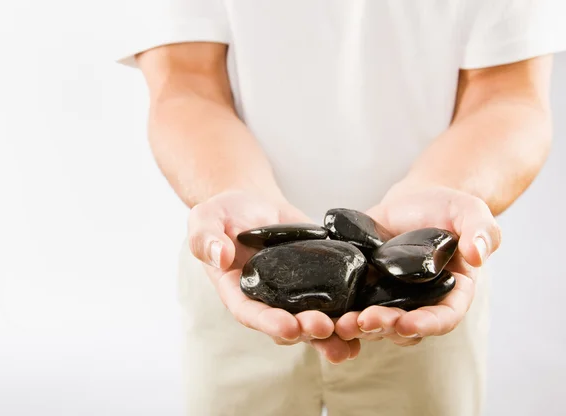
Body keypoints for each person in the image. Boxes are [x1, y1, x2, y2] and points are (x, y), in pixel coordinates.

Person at [117, 1, 566, 415]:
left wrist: (442, 190)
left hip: (422, 290)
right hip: (233, 260)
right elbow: (186, 84)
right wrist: (235, 190)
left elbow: (508, 94)